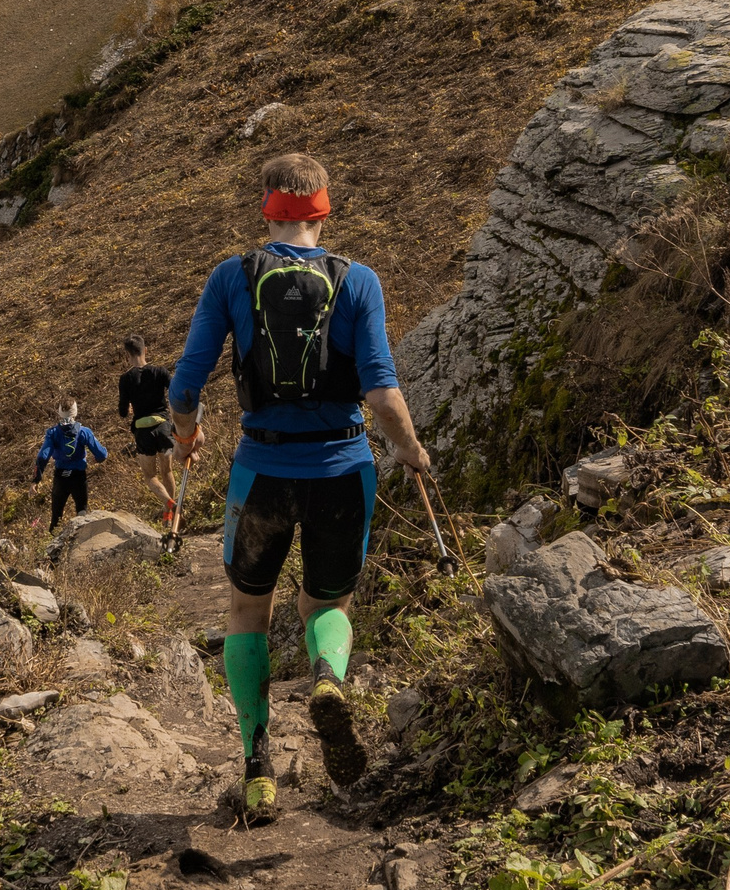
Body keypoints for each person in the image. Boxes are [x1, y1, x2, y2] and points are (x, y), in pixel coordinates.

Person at [169, 152, 436, 823]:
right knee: (326, 601)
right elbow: (380, 386)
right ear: (324, 210)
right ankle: (326, 675)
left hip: (263, 470)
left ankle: (257, 768)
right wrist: (410, 449)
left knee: (245, 612)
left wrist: (186, 437)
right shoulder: (360, 281)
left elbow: (185, 384)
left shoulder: (233, 276)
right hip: (344, 470)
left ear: (267, 208)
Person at [118, 335, 179, 548]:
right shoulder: (160, 371)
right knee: (167, 472)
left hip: (143, 431)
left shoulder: (125, 379)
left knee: (150, 476)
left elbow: (122, 412)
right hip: (163, 426)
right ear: (146, 350)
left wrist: (132, 408)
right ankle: (172, 517)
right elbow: (175, 391)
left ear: (128, 355)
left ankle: (169, 504)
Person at [31, 400, 107, 531]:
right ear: (75, 412)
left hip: (60, 477)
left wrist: (36, 480)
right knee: (82, 513)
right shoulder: (84, 432)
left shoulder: (53, 433)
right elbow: (101, 454)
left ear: (60, 412)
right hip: (79, 477)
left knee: (56, 518)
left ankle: (52, 549)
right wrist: (98, 459)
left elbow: (42, 456)